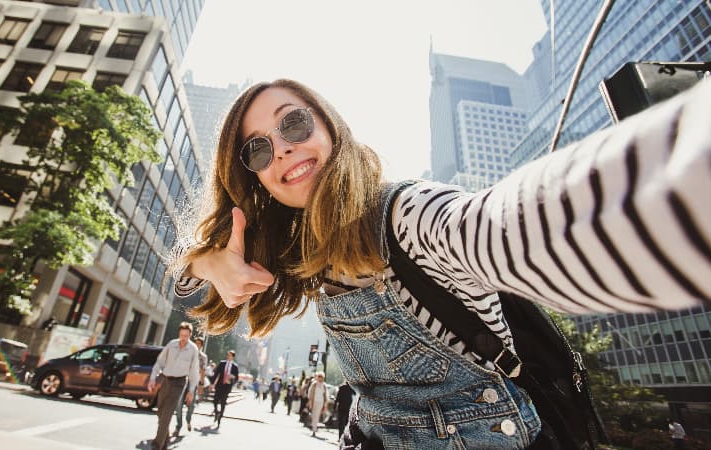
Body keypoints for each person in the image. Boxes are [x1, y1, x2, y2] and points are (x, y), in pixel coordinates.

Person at [170, 78, 711, 448]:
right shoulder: (300, 250)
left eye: (294, 125)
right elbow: (186, 296)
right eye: (258, 150)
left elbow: (515, 229)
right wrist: (206, 261)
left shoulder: (408, 213)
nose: (282, 149)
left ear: (330, 128)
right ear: (254, 179)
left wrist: (686, 175)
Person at [146, 322, 200, 450]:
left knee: (168, 413)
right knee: (160, 411)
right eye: (182, 335)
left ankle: (157, 444)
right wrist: (152, 378)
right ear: (179, 333)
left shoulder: (193, 349)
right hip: (166, 380)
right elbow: (159, 362)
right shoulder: (171, 344)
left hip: (179, 383)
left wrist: (191, 391)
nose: (183, 338)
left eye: (186, 336)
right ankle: (165, 439)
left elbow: (194, 371)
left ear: (190, 335)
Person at [173, 336, 207, 436]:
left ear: (201, 346)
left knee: (191, 405)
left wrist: (201, 385)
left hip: (194, 383)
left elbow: (203, 371)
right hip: (183, 381)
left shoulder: (203, 357)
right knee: (178, 404)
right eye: (196, 343)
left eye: (199, 343)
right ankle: (178, 426)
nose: (197, 345)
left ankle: (188, 419)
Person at [211, 349, 239, 427]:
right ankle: (216, 412)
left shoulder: (235, 366)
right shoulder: (222, 363)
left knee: (223, 402)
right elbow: (216, 373)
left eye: (230, 355)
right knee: (215, 401)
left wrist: (232, 379)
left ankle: (220, 418)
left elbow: (237, 378)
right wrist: (212, 383)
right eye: (227, 355)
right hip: (219, 385)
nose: (228, 356)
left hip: (227, 386)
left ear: (233, 357)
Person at [307, 372, 329, 437]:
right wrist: (310, 402)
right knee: (313, 415)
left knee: (317, 415)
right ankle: (313, 427)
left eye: (321, 377)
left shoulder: (324, 385)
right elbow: (310, 393)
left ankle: (314, 430)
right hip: (314, 401)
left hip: (320, 402)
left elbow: (326, 396)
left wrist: (325, 404)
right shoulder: (314, 384)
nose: (320, 378)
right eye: (319, 376)